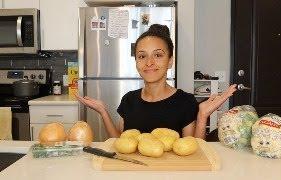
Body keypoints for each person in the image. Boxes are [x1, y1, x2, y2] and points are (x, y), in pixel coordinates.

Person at [76, 24, 237, 140]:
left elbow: (192, 150)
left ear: (170, 61)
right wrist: (104, 112)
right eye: (142, 56)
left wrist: (202, 116)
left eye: (158, 55)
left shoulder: (185, 101)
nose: (149, 62)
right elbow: (120, 142)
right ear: (136, 62)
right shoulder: (128, 100)